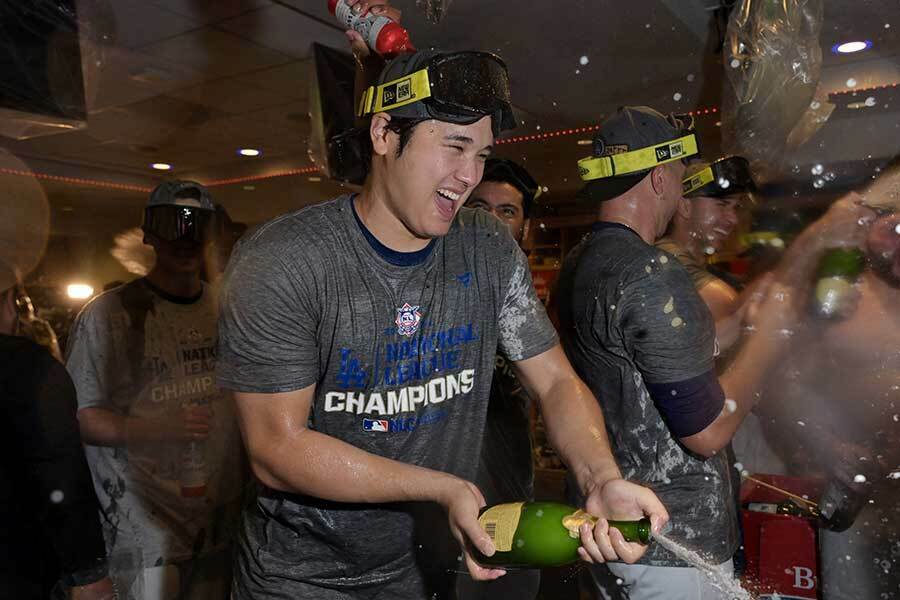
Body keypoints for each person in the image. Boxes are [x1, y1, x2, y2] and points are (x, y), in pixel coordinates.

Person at [217, 51, 668, 600]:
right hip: (297, 582)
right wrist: (441, 488)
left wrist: (601, 479)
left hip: (421, 574)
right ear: (384, 134)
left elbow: (555, 382)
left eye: (481, 154)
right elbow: (275, 448)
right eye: (454, 146)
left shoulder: (489, 250)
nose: (469, 176)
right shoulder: (285, 260)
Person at [556, 106, 795, 599]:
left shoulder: (581, 262)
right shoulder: (650, 271)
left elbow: (651, 363)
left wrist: (743, 322)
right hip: (673, 540)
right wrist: (768, 339)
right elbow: (706, 432)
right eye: (681, 174)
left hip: (613, 528)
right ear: (661, 177)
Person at [65, 181, 245, 600]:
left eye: (196, 227)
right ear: (150, 233)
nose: (184, 239)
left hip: (218, 525)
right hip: (143, 531)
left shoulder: (228, 310)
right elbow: (80, 415)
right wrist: (154, 428)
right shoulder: (109, 315)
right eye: (171, 224)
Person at [756, 167, 900, 599]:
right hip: (853, 503)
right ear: (867, 225)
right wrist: (826, 445)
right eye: (894, 228)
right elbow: (779, 383)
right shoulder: (835, 297)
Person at [0, 261, 114, 599]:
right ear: (9, 302)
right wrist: (89, 571)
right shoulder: (27, 369)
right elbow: (59, 474)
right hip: (17, 569)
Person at [457, 158, 542, 599]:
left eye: (507, 211)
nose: (490, 219)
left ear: (525, 228)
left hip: (511, 492)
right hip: (444, 497)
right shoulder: (434, 289)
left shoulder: (527, 307)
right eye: (479, 205)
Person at [656, 156, 754, 352]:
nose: (733, 219)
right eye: (722, 204)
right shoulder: (665, 257)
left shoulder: (700, 264)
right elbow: (729, 307)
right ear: (685, 206)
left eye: (736, 207)